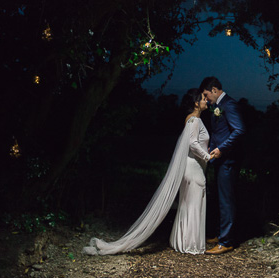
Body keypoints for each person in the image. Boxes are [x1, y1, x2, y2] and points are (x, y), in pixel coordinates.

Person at [83, 89, 216, 255]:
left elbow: (194, 143)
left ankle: (181, 240)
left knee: (187, 204)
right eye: (203, 98)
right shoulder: (195, 120)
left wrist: (205, 151)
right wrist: (208, 156)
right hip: (194, 168)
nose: (206, 100)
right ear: (196, 103)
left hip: (190, 166)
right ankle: (190, 244)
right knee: (194, 205)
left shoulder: (190, 119)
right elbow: (193, 144)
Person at [199, 76, 245, 255]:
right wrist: (212, 147)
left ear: (215, 90)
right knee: (220, 199)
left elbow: (239, 130)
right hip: (220, 159)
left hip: (228, 160)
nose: (205, 99)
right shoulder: (218, 106)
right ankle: (220, 235)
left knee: (226, 201)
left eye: (206, 94)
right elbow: (220, 131)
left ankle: (226, 242)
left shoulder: (229, 105)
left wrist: (222, 149)